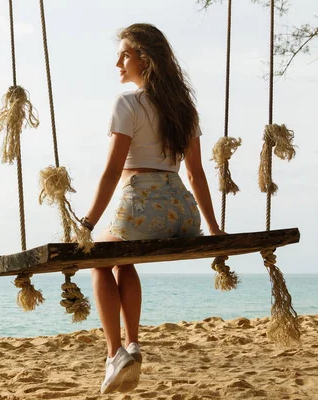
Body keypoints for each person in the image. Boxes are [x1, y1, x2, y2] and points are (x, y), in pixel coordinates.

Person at [78, 23, 224, 394]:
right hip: (182, 213)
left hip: (141, 205)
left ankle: (115, 354)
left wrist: (88, 222)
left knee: (98, 259)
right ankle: (134, 344)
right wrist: (213, 227)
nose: (117, 63)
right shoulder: (184, 109)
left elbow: (113, 171)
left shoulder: (127, 104)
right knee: (122, 259)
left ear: (144, 58)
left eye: (124, 54)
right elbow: (195, 174)